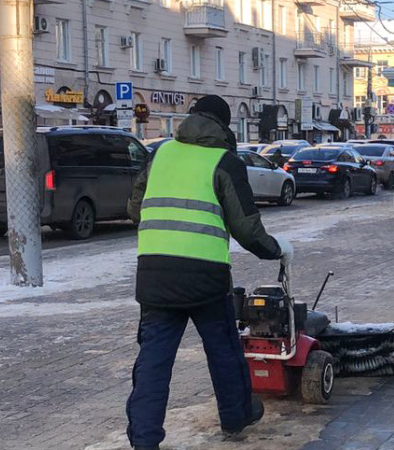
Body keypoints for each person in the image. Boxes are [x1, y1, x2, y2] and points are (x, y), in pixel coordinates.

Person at [125, 95, 293, 450]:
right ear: (223, 125)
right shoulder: (224, 161)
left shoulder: (161, 155)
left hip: (154, 274)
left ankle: (144, 439)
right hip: (205, 276)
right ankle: (235, 418)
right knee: (223, 350)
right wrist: (275, 250)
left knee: (153, 360)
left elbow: (134, 207)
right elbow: (246, 228)